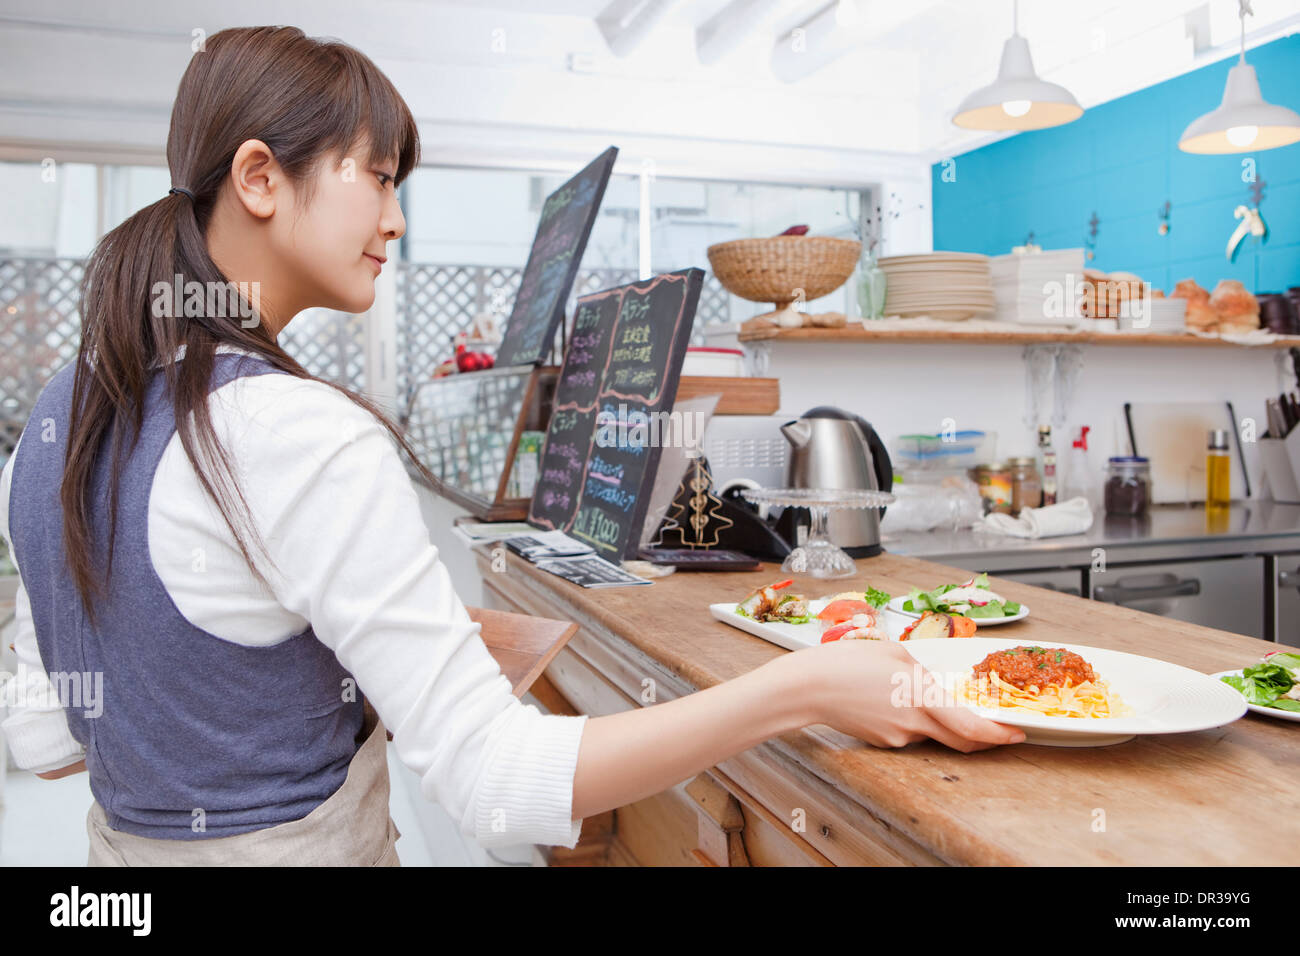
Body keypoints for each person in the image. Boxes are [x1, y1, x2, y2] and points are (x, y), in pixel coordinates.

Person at [0, 26, 1023, 867]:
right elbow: (495, 782)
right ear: (260, 177)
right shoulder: (294, 431)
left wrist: (327, 672)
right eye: (380, 177)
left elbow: (48, 734)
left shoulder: (60, 420)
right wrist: (803, 686)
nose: (396, 221)